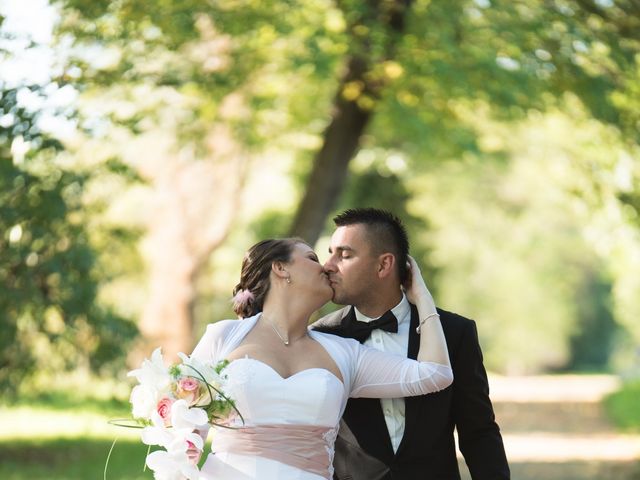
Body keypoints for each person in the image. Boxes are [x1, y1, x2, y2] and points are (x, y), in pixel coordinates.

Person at [190, 237, 453, 480]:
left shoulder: (346, 353)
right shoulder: (224, 337)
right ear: (281, 268)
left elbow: (435, 373)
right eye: (313, 258)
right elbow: (183, 426)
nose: (327, 267)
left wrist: (422, 297)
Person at [313, 208, 510, 480]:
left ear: (384, 265)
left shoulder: (455, 332)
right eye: (330, 252)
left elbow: (478, 432)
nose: (328, 265)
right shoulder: (321, 337)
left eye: (344, 255)